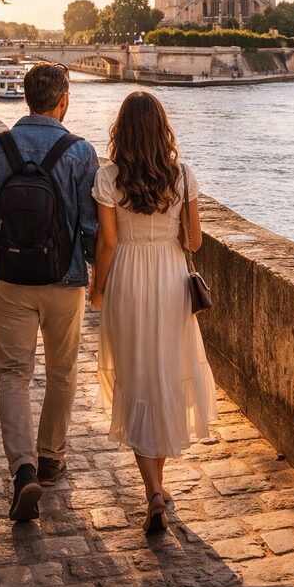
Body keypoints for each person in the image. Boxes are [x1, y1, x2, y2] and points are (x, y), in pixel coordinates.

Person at [0, 62, 99, 522]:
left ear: (26, 99)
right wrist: (91, 274)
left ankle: (22, 468)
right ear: (63, 99)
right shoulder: (81, 152)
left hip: (10, 279)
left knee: (12, 373)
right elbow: (90, 227)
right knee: (62, 371)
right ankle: (50, 456)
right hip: (63, 281)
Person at [91, 91, 218, 535]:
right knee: (165, 374)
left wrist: (96, 290)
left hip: (127, 275)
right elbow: (196, 241)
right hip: (169, 278)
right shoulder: (182, 176)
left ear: (121, 130)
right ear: (162, 128)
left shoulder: (108, 177)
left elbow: (106, 245)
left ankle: (152, 492)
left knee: (135, 375)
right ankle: (159, 489)